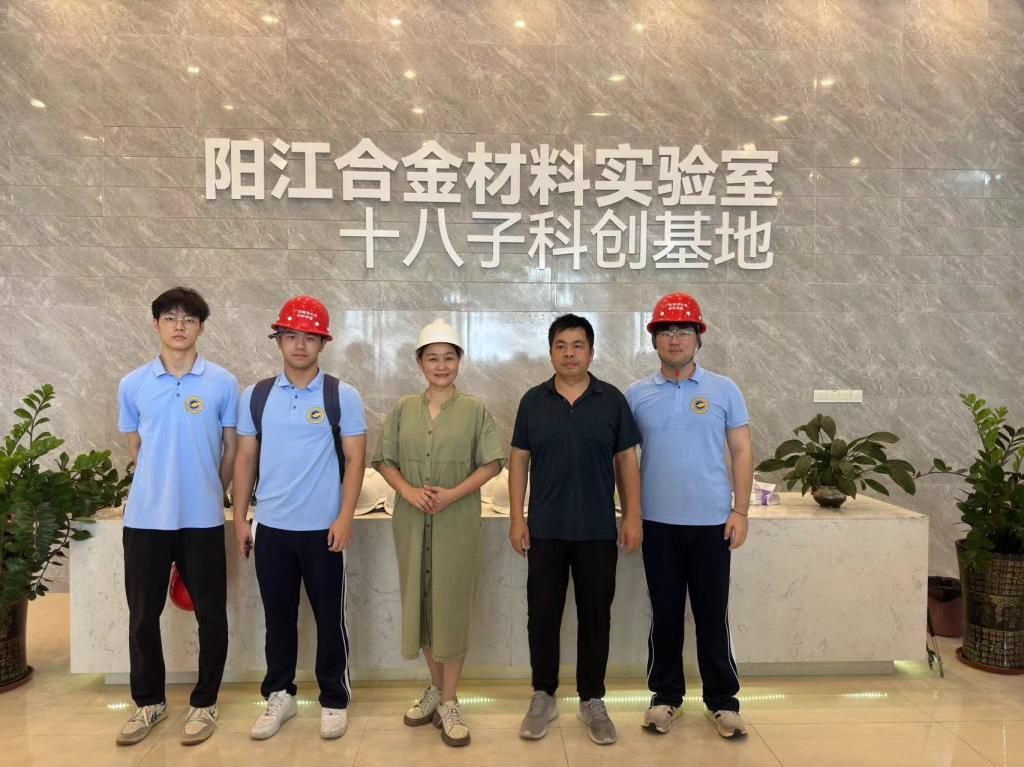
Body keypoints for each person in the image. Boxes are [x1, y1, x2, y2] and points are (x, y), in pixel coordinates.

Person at [232, 296, 367, 742]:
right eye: (291, 336)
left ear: (323, 343)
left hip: (324, 530)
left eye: (310, 337)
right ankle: (279, 694)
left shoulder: (341, 395)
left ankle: (334, 699)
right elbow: (245, 458)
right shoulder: (256, 396)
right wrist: (240, 519)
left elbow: (356, 459)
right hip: (271, 528)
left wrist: (345, 517)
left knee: (330, 620)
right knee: (278, 619)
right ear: (279, 341)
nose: (300, 345)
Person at [508, 313, 643, 746]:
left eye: (578, 345)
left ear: (591, 351)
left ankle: (592, 700)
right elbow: (518, 461)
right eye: (561, 345)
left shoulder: (611, 400)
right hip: (545, 530)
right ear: (551, 352)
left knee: (596, 617)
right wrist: (517, 518)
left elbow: (626, 460)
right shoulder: (533, 401)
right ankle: (543, 695)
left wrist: (633, 516)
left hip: (597, 531)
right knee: (542, 616)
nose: (569, 353)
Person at [625, 292, 753, 739]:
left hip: (712, 524)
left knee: (712, 615)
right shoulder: (636, 394)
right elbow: (625, 458)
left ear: (699, 337)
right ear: (654, 340)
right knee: (665, 614)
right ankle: (665, 698)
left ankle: (723, 702)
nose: (674, 339)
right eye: (665, 331)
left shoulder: (724, 389)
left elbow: (741, 450)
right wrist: (631, 513)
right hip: (657, 524)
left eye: (683, 330)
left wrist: (740, 510)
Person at [115, 287, 238, 746]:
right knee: (142, 616)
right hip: (146, 519)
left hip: (202, 520)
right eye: (170, 317)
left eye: (189, 318)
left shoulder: (222, 382)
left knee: (212, 615)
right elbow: (137, 449)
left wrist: (211, 491)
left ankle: (204, 703)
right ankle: (149, 702)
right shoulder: (133, 384)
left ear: (201, 327)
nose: (179, 325)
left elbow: (230, 450)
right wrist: (160, 486)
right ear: (156, 325)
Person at [373, 320, 505, 747]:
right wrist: (409, 492)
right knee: (423, 605)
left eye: (449, 357)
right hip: (411, 521)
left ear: (459, 361)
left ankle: (449, 700)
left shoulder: (474, 410)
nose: (441, 365)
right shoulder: (402, 409)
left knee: (451, 606)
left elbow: (492, 463)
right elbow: (385, 460)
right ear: (419, 363)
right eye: (433, 358)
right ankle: (435, 688)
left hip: (457, 521)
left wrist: (452, 494)